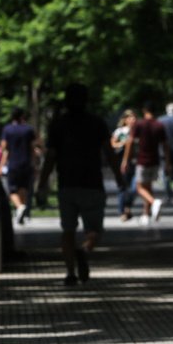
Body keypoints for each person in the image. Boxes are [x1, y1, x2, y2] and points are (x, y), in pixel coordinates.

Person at [36, 83, 123, 286]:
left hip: (67, 184)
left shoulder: (58, 125)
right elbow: (109, 153)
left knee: (68, 230)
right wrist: (119, 177)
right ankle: (84, 250)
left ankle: (70, 273)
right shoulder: (97, 123)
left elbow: (50, 156)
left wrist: (42, 183)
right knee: (94, 230)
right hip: (92, 183)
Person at [121, 102, 168, 224]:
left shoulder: (140, 124)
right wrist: (168, 162)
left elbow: (130, 142)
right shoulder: (159, 125)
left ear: (144, 110)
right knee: (148, 187)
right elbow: (165, 145)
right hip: (155, 160)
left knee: (139, 187)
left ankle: (154, 202)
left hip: (142, 160)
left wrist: (125, 160)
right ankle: (146, 214)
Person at [0, 107, 38, 225]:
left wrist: (1, 165)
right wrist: (35, 164)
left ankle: (19, 207)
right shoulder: (29, 130)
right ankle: (22, 212)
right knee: (23, 188)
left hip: (13, 163)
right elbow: (33, 148)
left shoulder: (8, 130)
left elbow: (4, 148)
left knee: (12, 190)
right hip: (26, 163)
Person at [111, 109, 137, 221]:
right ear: (125, 120)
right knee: (123, 187)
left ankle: (128, 207)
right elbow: (112, 144)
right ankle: (122, 211)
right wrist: (122, 144)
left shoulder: (138, 131)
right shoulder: (120, 131)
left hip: (136, 162)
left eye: (134, 117)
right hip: (122, 162)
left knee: (134, 188)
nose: (133, 120)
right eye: (130, 117)